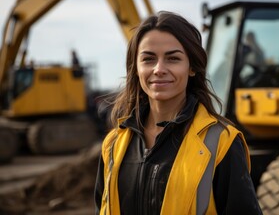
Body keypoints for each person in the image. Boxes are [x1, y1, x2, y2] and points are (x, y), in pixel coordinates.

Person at [94, 11, 262, 214]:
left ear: (192, 67)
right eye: (148, 59)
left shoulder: (221, 142)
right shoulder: (113, 145)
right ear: (136, 69)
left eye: (173, 58)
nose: (159, 69)